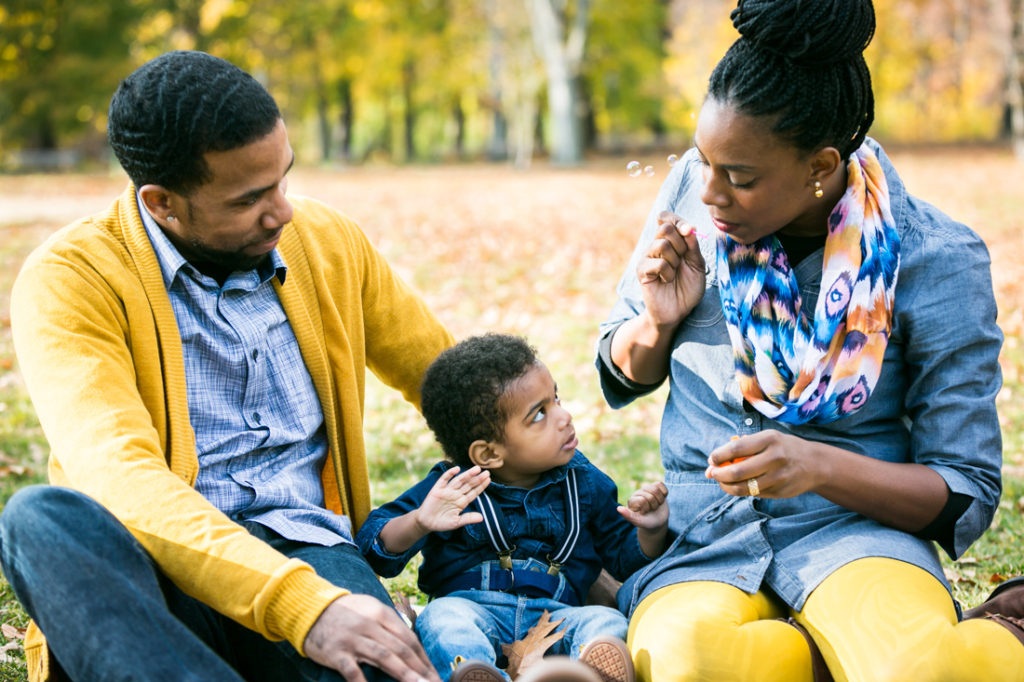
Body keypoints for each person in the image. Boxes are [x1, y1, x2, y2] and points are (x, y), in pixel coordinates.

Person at [596, 1, 1024, 680]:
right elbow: (622, 368)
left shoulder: (936, 257)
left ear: (821, 166)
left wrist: (820, 467)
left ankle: (1000, 631)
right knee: (686, 663)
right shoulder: (694, 191)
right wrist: (655, 322)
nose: (707, 193)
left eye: (738, 177)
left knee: (930, 672)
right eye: (701, 162)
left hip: (855, 540)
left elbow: (962, 490)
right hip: (705, 543)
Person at [0, 50, 455, 682]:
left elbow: (454, 381)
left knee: (378, 664)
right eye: (249, 199)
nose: (284, 212)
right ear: (162, 203)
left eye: (283, 180)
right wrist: (303, 610)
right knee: (38, 520)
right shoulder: (70, 278)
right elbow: (117, 475)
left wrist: (589, 520)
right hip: (159, 561)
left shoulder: (325, 241)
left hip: (311, 550)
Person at [356, 334, 670, 682]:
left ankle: (586, 673)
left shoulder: (584, 482)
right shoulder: (450, 488)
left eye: (557, 399)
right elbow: (373, 547)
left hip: (558, 616)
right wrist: (418, 521)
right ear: (489, 454)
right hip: (472, 607)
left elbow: (622, 556)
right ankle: (479, 674)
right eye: (539, 414)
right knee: (442, 620)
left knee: (607, 623)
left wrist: (650, 530)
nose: (564, 416)